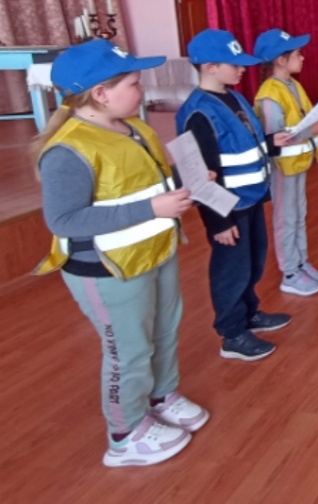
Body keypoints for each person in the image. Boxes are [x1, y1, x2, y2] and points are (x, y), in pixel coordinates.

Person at [34, 39, 208, 467]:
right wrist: (152, 208)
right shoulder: (68, 150)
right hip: (106, 270)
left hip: (155, 252)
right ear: (100, 93)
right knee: (127, 351)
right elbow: (64, 221)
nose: (142, 90)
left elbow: (147, 180)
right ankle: (125, 433)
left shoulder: (136, 128)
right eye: (133, 83)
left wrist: (187, 180)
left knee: (164, 331)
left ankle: (161, 395)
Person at [177, 29, 294, 361]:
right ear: (210, 67)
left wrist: (271, 143)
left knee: (253, 262)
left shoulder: (235, 97)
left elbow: (242, 145)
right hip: (227, 208)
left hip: (251, 197)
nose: (243, 69)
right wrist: (219, 222)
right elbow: (198, 174)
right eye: (235, 64)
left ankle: (249, 313)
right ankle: (232, 333)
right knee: (232, 269)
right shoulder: (197, 112)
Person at [253, 29, 318, 297]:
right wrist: (314, 130)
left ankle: (300, 262)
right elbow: (277, 137)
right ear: (281, 60)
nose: (303, 57)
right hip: (281, 168)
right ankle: (289, 272)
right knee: (285, 217)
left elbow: (302, 120)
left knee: (299, 214)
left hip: (298, 163)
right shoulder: (269, 93)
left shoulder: (293, 86)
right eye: (297, 54)